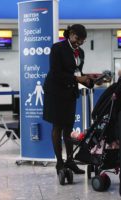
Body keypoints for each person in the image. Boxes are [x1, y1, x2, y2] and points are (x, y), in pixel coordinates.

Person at [43, 24, 91, 182]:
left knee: (68, 127)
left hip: (70, 93)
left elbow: (77, 73)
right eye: (78, 38)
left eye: (82, 41)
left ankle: (70, 161)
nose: (79, 43)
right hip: (55, 92)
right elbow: (56, 72)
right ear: (70, 34)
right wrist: (78, 79)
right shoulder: (57, 48)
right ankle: (59, 163)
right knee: (57, 126)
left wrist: (90, 81)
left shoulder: (81, 52)